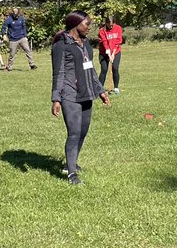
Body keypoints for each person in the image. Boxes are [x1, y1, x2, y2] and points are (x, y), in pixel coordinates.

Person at [51, 10, 110, 185]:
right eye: (87, 24)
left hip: (86, 93)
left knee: (83, 132)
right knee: (74, 132)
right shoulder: (61, 45)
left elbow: (90, 69)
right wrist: (56, 99)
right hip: (69, 94)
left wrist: (100, 90)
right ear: (76, 24)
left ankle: (71, 164)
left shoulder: (85, 43)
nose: (89, 28)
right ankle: (71, 175)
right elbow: (58, 73)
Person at [97, 15, 124, 94]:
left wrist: (113, 53)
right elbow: (105, 43)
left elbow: (118, 41)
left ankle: (116, 88)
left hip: (116, 51)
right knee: (104, 70)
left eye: (112, 24)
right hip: (103, 53)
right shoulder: (102, 30)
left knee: (115, 68)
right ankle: (99, 89)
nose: (111, 26)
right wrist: (109, 54)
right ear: (106, 23)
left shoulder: (118, 28)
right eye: (109, 25)